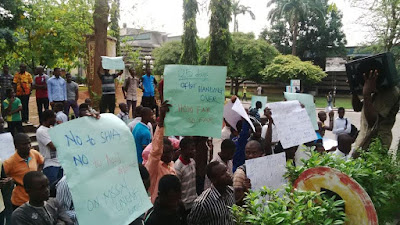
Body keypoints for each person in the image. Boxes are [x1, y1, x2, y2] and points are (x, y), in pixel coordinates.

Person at [352, 68, 400, 152]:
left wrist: (366, 94)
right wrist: (353, 90)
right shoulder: (375, 89)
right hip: (363, 141)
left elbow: (373, 122)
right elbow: (357, 107)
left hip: (376, 144)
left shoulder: (390, 92)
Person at [145, 101, 176, 203]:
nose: (169, 155)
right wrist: (161, 121)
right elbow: (155, 151)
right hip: (158, 209)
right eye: (165, 153)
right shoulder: (154, 166)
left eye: (171, 152)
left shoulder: (171, 165)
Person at [3, 133, 44, 208]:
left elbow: (41, 162)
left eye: (29, 143)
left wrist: (37, 173)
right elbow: (3, 176)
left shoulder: (34, 153)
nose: (28, 146)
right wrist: (10, 180)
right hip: (20, 201)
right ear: (16, 146)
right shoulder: (10, 162)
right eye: (24, 144)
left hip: (36, 198)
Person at [36, 110, 63, 185]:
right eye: (54, 118)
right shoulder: (41, 131)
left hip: (59, 163)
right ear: (48, 118)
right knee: (52, 187)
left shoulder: (52, 129)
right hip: (50, 164)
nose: (55, 120)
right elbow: (53, 147)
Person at [233, 140, 264, 205]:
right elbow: (236, 202)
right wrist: (245, 191)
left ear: (261, 154)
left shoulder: (266, 169)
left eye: (254, 153)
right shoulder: (240, 173)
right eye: (247, 153)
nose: (250, 156)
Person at [174, 137, 197, 213]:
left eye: (194, 148)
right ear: (183, 150)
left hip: (194, 202)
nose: (194, 151)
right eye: (191, 149)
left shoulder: (192, 162)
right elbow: (177, 188)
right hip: (184, 205)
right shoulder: (178, 167)